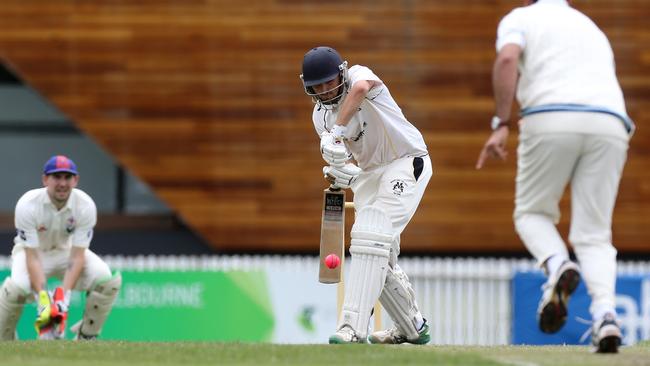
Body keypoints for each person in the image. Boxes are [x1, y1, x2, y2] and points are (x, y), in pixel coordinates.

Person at [476, 0, 634, 353]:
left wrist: (501, 123)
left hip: (551, 116)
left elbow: (507, 59)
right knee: (594, 233)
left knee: (531, 214)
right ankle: (606, 316)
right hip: (610, 122)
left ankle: (557, 264)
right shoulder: (589, 25)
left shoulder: (520, 18)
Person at [300, 46, 433, 344]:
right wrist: (340, 171)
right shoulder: (319, 118)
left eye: (329, 81)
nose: (325, 89)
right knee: (377, 255)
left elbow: (360, 88)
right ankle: (413, 327)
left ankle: (352, 328)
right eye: (317, 86)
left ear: (342, 73)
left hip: (405, 161)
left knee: (368, 237)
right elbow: (344, 159)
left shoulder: (359, 76)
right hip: (369, 175)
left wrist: (336, 132)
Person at [0, 155, 122, 340]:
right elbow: (32, 257)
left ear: (76, 180)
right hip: (32, 255)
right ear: (45, 179)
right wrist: (43, 300)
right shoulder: (27, 204)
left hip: (67, 253)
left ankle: (87, 336)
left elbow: (77, 256)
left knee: (107, 280)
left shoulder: (85, 205)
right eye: (56, 177)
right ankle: (4, 341)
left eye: (67, 177)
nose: (62, 183)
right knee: (15, 289)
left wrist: (63, 297)